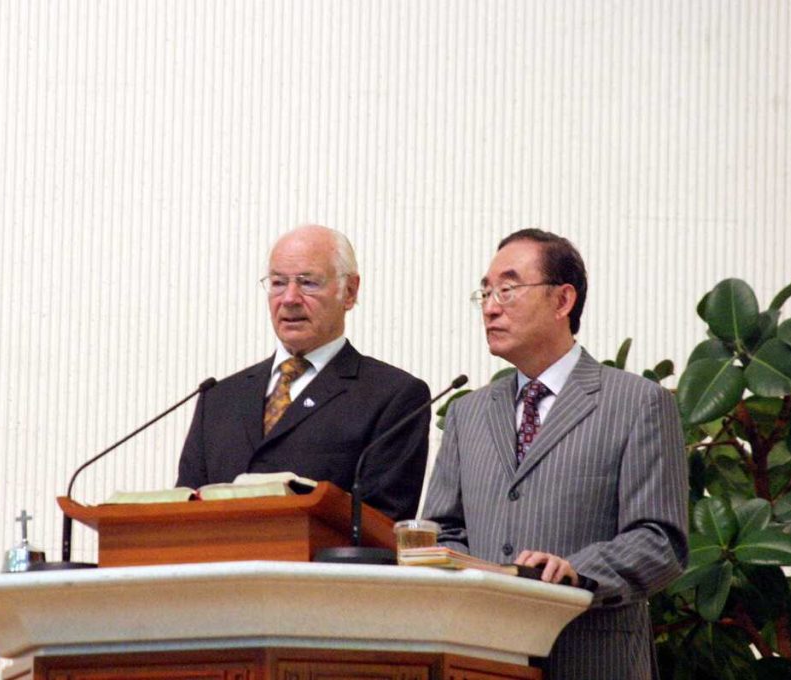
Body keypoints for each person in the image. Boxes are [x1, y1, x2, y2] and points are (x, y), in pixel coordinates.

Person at [422, 229, 688, 679]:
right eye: (484, 292)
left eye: (507, 289)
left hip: (591, 658)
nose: (490, 306)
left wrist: (576, 573)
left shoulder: (636, 403)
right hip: (484, 659)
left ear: (563, 300)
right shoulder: (467, 414)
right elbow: (441, 531)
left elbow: (661, 540)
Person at [178, 225, 431, 520]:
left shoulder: (392, 396)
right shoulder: (218, 398)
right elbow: (185, 509)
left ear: (349, 292)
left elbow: (383, 524)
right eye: (278, 283)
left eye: (308, 283)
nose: (289, 298)